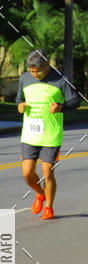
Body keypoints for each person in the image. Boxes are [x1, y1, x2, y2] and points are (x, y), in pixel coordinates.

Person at [16, 49, 80, 221]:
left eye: (38, 71)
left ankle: (49, 207)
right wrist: (20, 105)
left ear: (47, 65)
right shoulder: (24, 78)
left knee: (47, 172)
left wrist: (61, 107)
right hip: (30, 133)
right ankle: (40, 193)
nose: (35, 74)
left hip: (51, 133)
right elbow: (19, 98)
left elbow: (75, 100)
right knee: (27, 172)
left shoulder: (61, 79)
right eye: (32, 71)